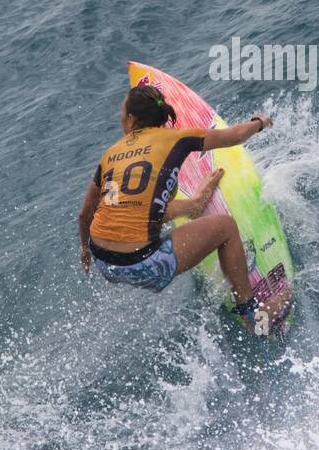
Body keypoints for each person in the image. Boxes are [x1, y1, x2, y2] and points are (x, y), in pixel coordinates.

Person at [78, 84, 273, 324]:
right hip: (144, 266)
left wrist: (85, 250)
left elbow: (85, 214)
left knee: (131, 203)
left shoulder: (110, 155)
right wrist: (259, 122)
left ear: (130, 119)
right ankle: (249, 312)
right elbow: (234, 136)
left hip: (103, 263)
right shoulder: (177, 139)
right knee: (226, 227)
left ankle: (194, 206)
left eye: (121, 112)